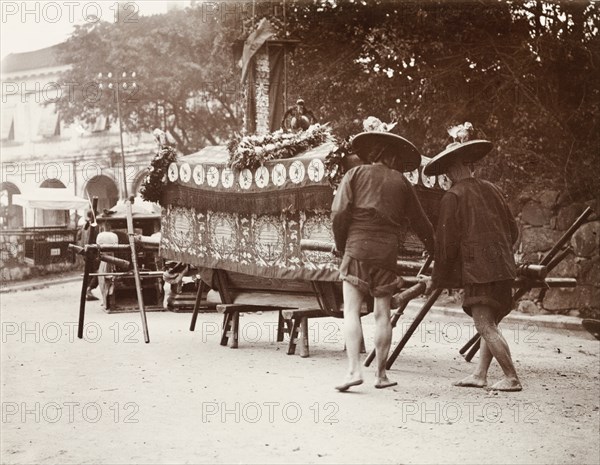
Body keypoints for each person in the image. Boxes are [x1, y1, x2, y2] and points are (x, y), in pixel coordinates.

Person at [331, 120, 434, 391]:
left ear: (372, 153)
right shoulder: (401, 182)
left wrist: (342, 245)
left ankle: (353, 370)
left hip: (357, 247)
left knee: (351, 311)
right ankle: (381, 375)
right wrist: (436, 250)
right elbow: (421, 223)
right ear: (391, 156)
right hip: (386, 252)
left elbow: (339, 213)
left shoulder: (354, 175)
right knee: (382, 314)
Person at [423, 127, 522, 391]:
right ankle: (480, 374)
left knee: (484, 325)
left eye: (447, 172)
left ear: (453, 170)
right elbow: (513, 231)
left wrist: (437, 278)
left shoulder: (453, 197)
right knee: (489, 323)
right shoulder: (493, 189)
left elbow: (445, 246)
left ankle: (511, 377)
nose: (446, 177)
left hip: (480, 272)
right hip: (503, 268)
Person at [78, 209, 99, 301]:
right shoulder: (94, 227)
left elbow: (79, 238)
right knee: (99, 273)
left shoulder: (84, 226)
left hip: (85, 253)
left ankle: (88, 291)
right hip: (93, 253)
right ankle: (89, 289)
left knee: (89, 273)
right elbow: (96, 240)